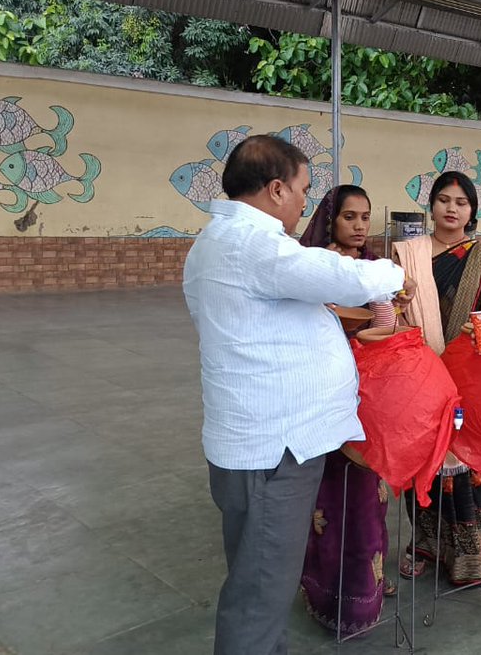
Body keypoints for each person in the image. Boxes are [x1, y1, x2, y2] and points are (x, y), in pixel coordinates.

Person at [183, 135, 411, 655]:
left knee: (260, 582)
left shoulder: (217, 242)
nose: (308, 202)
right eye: (304, 189)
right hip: (273, 450)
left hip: (258, 443)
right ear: (276, 188)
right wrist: (396, 271)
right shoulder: (254, 244)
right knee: (259, 593)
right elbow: (346, 278)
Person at [393, 170, 481, 587]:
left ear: (472, 211)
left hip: (467, 373)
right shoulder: (406, 254)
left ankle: (467, 553)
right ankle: (425, 540)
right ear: (431, 205)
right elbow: (391, 311)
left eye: (461, 202)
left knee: (466, 467)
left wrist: (477, 345)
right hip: (417, 373)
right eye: (444, 199)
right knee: (422, 463)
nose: (451, 208)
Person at [296, 185, 395, 636]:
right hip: (319, 398)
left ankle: (365, 587)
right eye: (349, 217)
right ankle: (326, 591)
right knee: (327, 503)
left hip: (367, 399)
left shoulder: (374, 268)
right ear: (330, 219)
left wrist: (380, 323)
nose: (359, 227)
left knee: (366, 498)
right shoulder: (311, 268)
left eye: (365, 217)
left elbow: (387, 322)